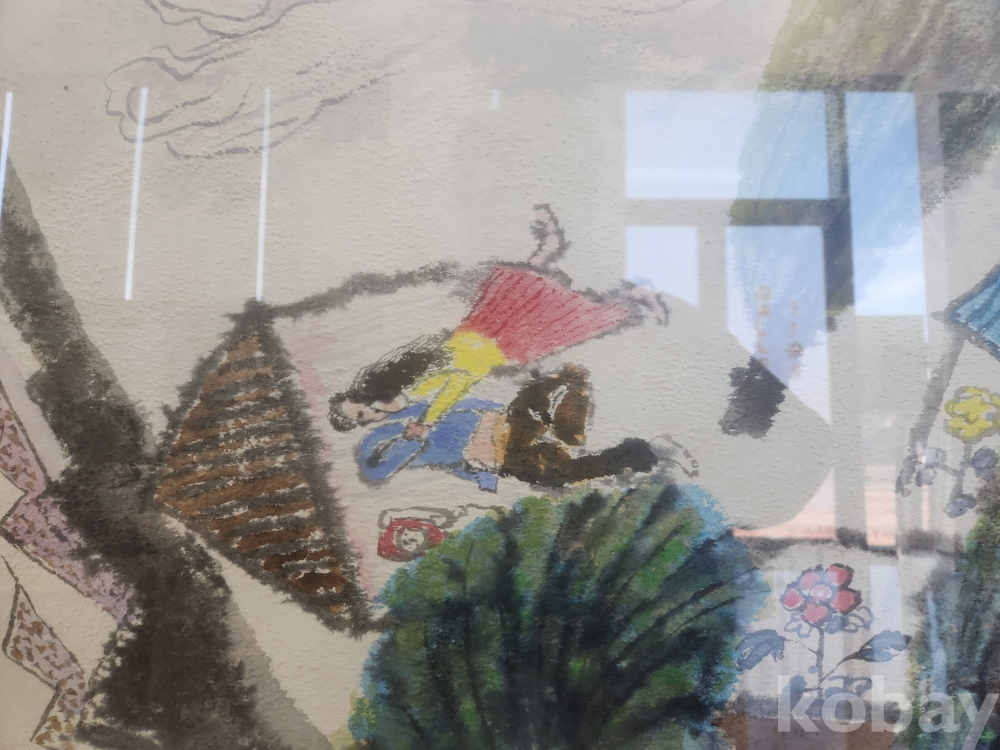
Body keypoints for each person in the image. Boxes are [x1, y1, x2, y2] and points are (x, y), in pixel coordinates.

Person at [329, 205, 668, 434]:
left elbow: (456, 383)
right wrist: (425, 419)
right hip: (481, 340)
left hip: (491, 345)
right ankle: (557, 246)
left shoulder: (406, 389)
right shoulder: (404, 389)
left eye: (360, 412)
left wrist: (427, 421)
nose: (368, 416)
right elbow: (450, 379)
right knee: (531, 295)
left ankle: (610, 284)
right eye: (361, 418)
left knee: (553, 312)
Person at [353, 365, 660, 490]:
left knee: (561, 440)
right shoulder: (375, 441)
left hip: (492, 427)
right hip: (493, 457)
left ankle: (569, 384)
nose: (377, 410)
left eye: (372, 406)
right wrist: (407, 438)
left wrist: (492, 407)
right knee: (560, 472)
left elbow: (456, 398)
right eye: (366, 413)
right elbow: (378, 472)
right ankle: (632, 456)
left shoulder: (410, 405)